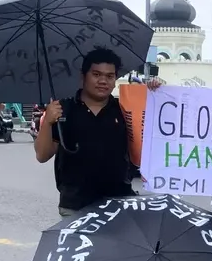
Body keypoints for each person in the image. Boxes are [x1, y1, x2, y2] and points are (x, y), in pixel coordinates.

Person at [34, 47, 160, 216]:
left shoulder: (125, 110)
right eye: (96, 74)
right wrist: (47, 122)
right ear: (83, 76)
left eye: (110, 76)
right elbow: (42, 155)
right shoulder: (64, 109)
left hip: (118, 204)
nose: (103, 81)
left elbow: (154, 136)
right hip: (75, 206)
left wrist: (157, 93)